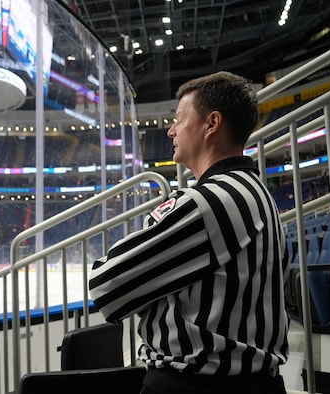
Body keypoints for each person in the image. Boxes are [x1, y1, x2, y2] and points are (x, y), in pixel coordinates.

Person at [88, 71, 289, 394]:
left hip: (194, 384)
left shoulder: (206, 202)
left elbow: (105, 287)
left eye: (179, 120)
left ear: (211, 124)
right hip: (256, 382)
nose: (171, 130)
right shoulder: (258, 193)